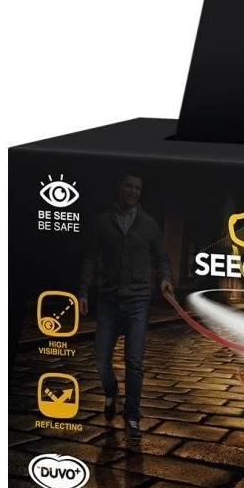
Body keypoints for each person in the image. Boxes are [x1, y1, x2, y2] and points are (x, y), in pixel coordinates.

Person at [78, 173, 173, 439]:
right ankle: (111, 392)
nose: (132, 191)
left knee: (134, 361)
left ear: (140, 193)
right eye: (128, 186)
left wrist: (165, 279)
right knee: (100, 360)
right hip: (108, 300)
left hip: (138, 301)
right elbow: (90, 258)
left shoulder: (149, 224)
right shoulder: (102, 221)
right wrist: (83, 292)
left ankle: (132, 416)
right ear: (119, 187)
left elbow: (162, 258)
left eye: (137, 188)